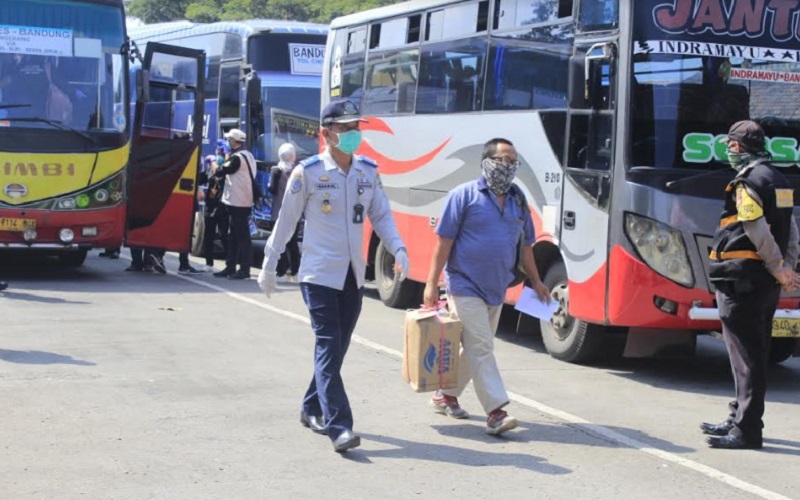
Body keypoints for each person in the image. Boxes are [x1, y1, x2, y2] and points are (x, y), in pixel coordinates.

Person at [257, 99, 409, 453]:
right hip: (318, 274)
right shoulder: (307, 172)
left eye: (357, 127)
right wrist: (269, 263)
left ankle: (311, 405)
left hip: (353, 275)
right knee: (328, 343)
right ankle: (339, 425)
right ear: (326, 134)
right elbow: (286, 221)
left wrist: (399, 248)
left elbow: (382, 215)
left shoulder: (367, 172)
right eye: (346, 128)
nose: (355, 134)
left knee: (336, 349)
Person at [422, 137, 550, 436]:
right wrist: (431, 284)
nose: (509, 165)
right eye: (504, 159)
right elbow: (444, 243)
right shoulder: (462, 196)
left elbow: (527, 246)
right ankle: (495, 412)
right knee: (482, 346)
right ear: (488, 162)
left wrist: (537, 281)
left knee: (476, 347)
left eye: (513, 160)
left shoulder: (519, 201)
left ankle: (446, 396)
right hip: (463, 283)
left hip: (497, 286)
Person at [701, 120, 800, 450]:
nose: (728, 151)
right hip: (765, 281)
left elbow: (755, 228)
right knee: (751, 353)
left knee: (747, 357)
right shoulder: (778, 178)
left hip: (742, 278)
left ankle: (746, 430)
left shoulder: (747, 182)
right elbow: (792, 227)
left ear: (738, 148)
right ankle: (738, 417)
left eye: (730, 145)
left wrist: (779, 267)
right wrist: (786, 266)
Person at [213, 129, 257, 280]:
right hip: (240, 200)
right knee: (233, 235)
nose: (228, 142)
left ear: (234, 141)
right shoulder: (248, 155)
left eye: (229, 140)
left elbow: (221, 171)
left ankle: (244, 269)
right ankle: (230, 266)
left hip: (239, 201)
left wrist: (216, 165)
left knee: (242, 236)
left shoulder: (237, 157)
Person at [269, 142, 302, 281]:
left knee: (279, 243)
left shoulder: (276, 170)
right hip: (295, 212)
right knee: (293, 244)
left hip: (279, 212)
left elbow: (272, 190)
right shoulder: (299, 171)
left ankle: (281, 272)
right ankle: (295, 272)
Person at [201, 154, 229, 272]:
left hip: (222, 207)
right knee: (208, 235)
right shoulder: (209, 170)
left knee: (224, 236)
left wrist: (216, 166)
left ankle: (229, 263)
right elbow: (200, 178)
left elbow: (220, 176)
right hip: (210, 206)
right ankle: (209, 263)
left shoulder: (225, 171)